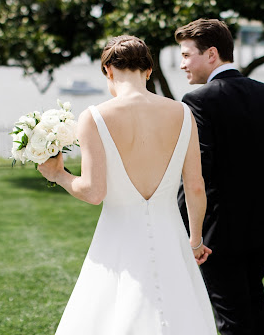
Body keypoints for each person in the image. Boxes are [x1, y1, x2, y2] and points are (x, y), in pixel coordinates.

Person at [37, 35, 217, 334]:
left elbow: (94, 193)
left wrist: (58, 174)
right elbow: (196, 187)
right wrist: (195, 241)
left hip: (117, 239)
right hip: (171, 236)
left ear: (108, 70)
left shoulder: (95, 117)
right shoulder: (183, 113)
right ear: (148, 71)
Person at [175, 19, 264, 335]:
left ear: (212, 54)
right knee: (253, 303)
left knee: (231, 318)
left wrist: (188, 228)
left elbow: (197, 172)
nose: (182, 65)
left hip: (217, 233)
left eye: (186, 55)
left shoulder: (198, 101)